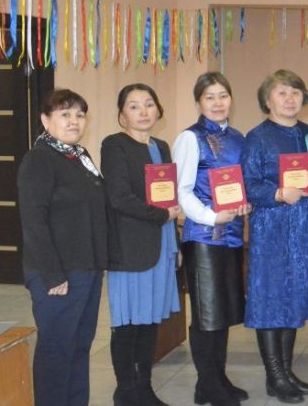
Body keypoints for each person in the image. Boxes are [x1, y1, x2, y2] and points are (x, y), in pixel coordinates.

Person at [241, 70, 308, 404]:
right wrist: (278, 193)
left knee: (294, 298)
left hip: (305, 231)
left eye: (295, 92)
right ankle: (274, 375)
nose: (290, 99)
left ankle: (286, 372)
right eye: (281, 93)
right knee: (270, 300)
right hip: (272, 230)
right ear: (267, 100)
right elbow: (248, 184)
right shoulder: (257, 137)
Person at [17, 89, 107, 406]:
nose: (74, 121)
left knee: (79, 346)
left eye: (79, 115)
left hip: (87, 268)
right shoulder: (39, 159)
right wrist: (53, 275)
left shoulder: (80, 156)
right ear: (45, 120)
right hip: (57, 273)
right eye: (65, 114)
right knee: (57, 350)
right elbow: (33, 220)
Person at [101, 84, 182, 406]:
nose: (143, 111)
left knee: (149, 321)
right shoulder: (114, 145)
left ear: (158, 109)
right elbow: (119, 197)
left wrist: (175, 245)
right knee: (127, 324)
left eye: (149, 104)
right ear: (122, 115)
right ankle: (125, 391)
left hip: (161, 246)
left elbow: (169, 198)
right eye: (133, 106)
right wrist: (161, 216)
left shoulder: (161, 146)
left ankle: (144, 388)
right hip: (130, 249)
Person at [173, 72, 251, 406]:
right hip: (203, 237)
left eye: (223, 96)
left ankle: (215, 380)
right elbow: (182, 190)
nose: (218, 103)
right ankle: (208, 383)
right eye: (210, 97)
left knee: (222, 314)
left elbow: (240, 185)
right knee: (206, 315)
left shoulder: (238, 137)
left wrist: (244, 204)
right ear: (198, 103)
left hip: (231, 237)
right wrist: (210, 216)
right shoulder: (190, 138)